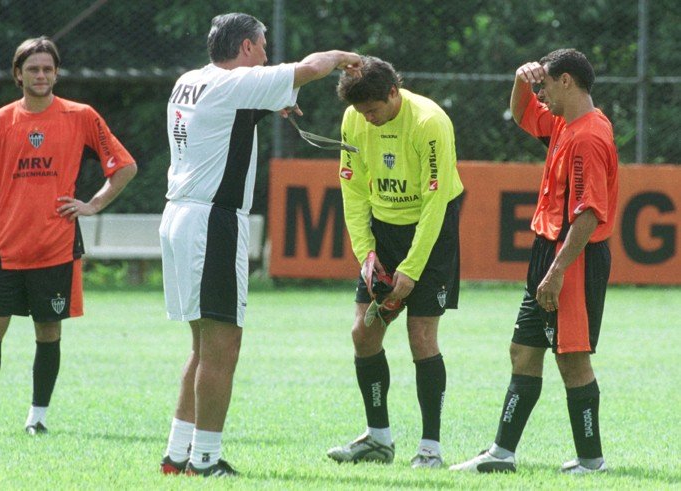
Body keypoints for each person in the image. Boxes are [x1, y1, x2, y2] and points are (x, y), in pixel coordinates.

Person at [158, 12, 362, 478]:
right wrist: (347, 58)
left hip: (181, 214)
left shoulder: (189, 80)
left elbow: (223, 118)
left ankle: (177, 454)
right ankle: (205, 461)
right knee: (224, 344)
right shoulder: (236, 83)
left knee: (204, 344)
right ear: (246, 47)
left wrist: (267, 105)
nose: (268, 56)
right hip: (212, 220)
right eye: (263, 47)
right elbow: (312, 67)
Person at [0, 36, 137, 436]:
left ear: (56, 73)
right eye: (33, 69)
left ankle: (37, 419)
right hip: (6, 247)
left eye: (47, 69)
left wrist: (92, 204)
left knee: (49, 331)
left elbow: (124, 167)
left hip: (56, 248)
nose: (41, 75)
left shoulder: (81, 116)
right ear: (17, 75)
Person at [450, 49, 618, 474]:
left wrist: (557, 272)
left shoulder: (588, 137)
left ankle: (591, 461)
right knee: (523, 351)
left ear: (566, 81)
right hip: (549, 251)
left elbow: (588, 214)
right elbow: (524, 112)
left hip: (572, 258)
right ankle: (501, 454)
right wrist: (521, 81)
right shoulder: (566, 124)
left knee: (572, 358)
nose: (540, 92)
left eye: (545, 83)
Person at [326, 56, 464, 469]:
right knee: (364, 333)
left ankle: (430, 449)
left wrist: (412, 269)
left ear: (393, 92)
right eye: (361, 113)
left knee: (421, 336)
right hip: (382, 232)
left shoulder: (429, 123)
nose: (367, 120)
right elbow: (351, 189)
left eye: (374, 111)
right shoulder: (354, 119)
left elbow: (437, 201)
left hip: (431, 231)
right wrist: (366, 253)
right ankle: (379, 440)